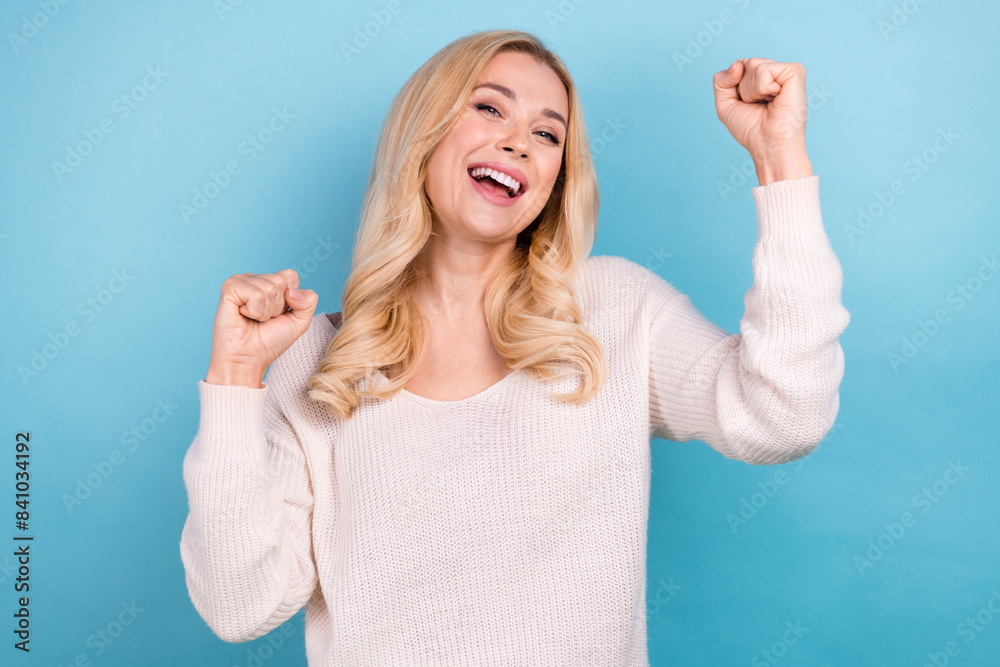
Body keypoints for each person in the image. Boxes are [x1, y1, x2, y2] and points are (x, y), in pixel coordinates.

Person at [179, 29, 849, 665]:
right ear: (425, 130)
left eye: (547, 133)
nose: (519, 142)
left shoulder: (616, 310)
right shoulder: (316, 361)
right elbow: (241, 605)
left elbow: (784, 416)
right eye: (490, 108)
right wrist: (236, 379)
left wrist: (779, 157)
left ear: (557, 177)